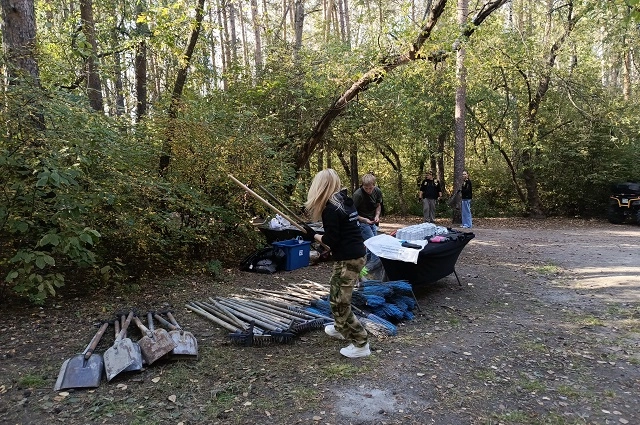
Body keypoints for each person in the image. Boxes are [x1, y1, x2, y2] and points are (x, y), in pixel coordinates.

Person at [304, 169, 371, 358]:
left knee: (340, 302)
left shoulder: (331, 209)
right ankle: (340, 327)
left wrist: (312, 235)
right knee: (335, 292)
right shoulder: (343, 202)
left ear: (321, 186)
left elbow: (331, 240)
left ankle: (360, 343)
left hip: (349, 259)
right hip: (353, 255)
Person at [352, 173, 383, 276]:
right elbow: (352, 214)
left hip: (372, 220)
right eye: (366, 188)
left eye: (371, 188)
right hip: (362, 221)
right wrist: (364, 219)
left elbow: (378, 206)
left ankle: (367, 265)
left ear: (374, 185)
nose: (369, 190)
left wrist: (377, 216)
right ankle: (373, 265)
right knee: (373, 243)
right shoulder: (358, 195)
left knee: (372, 243)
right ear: (362, 185)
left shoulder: (377, 191)